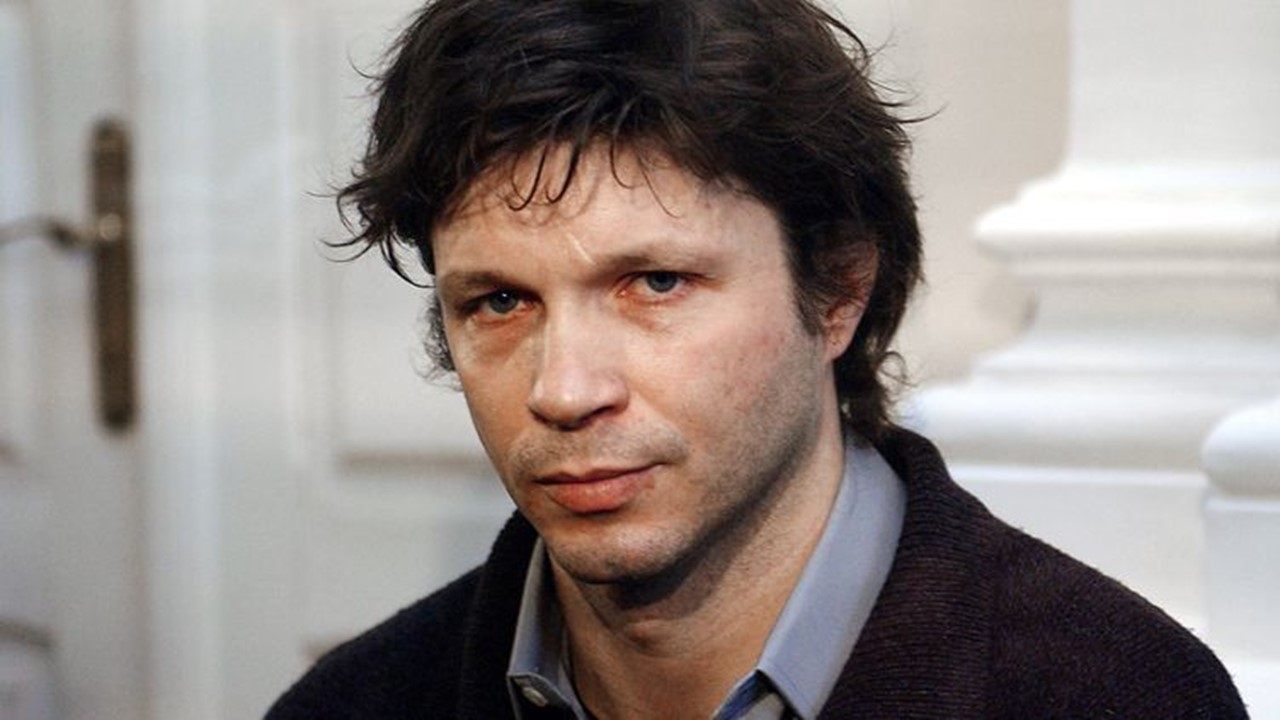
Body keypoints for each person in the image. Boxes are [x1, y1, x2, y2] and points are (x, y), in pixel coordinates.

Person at [268, 1, 1248, 718]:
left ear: (837, 290)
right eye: (499, 302)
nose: (564, 389)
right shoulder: (353, 707)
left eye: (655, 283)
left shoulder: (1113, 696)